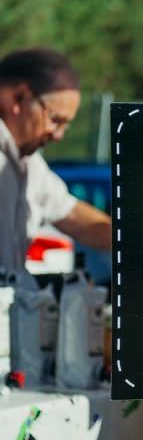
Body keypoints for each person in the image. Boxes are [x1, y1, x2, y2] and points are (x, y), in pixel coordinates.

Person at [0, 48, 111, 272]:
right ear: (19, 98)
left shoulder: (29, 164)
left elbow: (72, 215)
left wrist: (137, 241)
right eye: (55, 120)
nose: (58, 136)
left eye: (65, 126)